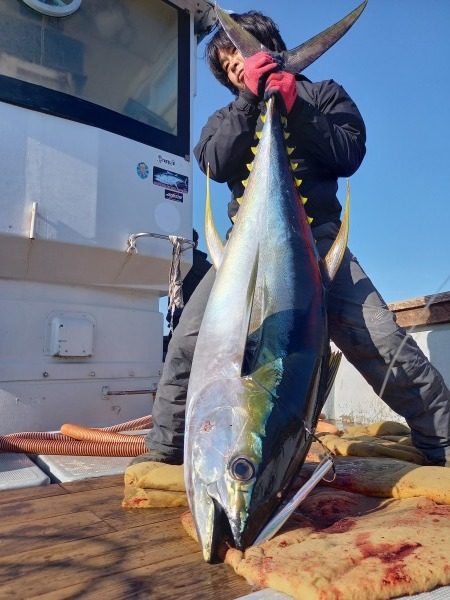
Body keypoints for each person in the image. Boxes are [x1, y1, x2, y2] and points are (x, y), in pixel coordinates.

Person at [134, 10, 450, 469]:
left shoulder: (323, 95)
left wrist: (295, 106)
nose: (236, 67)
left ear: (268, 44)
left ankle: (442, 441)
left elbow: (348, 154)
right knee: (190, 342)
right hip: (245, 250)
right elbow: (213, 164)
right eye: (227, 67)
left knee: (380, 340)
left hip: (317, 244)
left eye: (238, 54)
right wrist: (249, 101)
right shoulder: (228, 116)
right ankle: (163, 456)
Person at [163, 229, 211, 359]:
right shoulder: (208, 268)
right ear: (195, 243)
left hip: (179, 320)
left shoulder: (172, 262)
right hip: (198, 323)